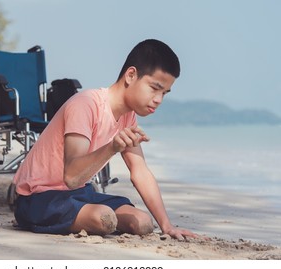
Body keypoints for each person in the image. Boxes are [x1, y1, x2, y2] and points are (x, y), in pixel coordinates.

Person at [12, 39, 198, 240]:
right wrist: (112, 147)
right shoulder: (86, 104)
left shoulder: (128, 116)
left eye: (164, 93)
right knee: (104, 218)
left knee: (143, 222)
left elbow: (140, 171)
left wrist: (167, 226)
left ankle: (83, 216)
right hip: (39, 197)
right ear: (131, 75)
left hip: (78, 194)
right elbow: (72, 177)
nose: (159, 100)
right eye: (154, 88)